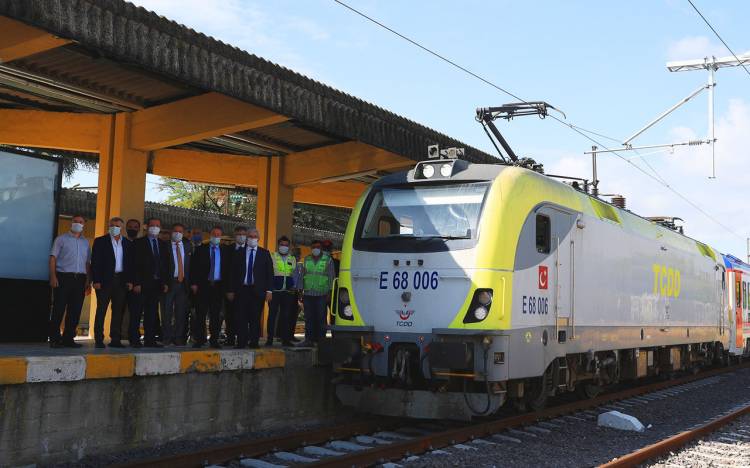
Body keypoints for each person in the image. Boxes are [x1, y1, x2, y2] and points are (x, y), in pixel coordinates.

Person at [48, 215, 91, 348]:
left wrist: (88, 281)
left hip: (80, 279)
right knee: (59, 308)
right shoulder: (61, 239)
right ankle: (55, 338)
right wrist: (53, 276)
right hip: (63, 277)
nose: (78, 224)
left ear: (84, 225)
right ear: (71, 223)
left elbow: (88, 263)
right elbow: (53, 258)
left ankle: (68, 338)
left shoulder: (85, 242)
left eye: (81, 222)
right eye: (75, 221)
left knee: (75, 310)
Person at [91, 217, 133, 348]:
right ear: (108, 226)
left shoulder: (127, 243)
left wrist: (130, 281)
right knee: (101, 309)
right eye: (112, 225)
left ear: (122, 228)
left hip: (121, 280)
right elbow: (95, 262)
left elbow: (130, 264)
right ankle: (99, 339)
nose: (115, 227)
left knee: (118, 311)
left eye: (118, 225)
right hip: (104, 281)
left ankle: (115, 339)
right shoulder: (100, 241)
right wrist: (96, 280)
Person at [228, 227, 273, 349]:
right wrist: (231, 290)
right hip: (242, 290)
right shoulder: (239, 253)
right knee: (241, 316)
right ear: (247, 238)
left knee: (255, 317)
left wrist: (269, 291)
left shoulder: (264, 253)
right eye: (250, 237)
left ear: (258, 239)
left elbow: (269, 273)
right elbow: (233, 273)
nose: (252, 239)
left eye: (254, 237)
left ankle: (254, 342)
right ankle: (241, 342)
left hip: (257, 291)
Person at [131, 217, 169, 347]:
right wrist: (136, 283)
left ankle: (149, 339)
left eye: (157, 225)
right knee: (136, 312)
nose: (154, 227)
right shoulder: (138, 243)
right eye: (152, 225)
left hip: (156, 284)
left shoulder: (163, 245)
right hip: (141, 284)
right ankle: (134, 339)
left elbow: (164, 266)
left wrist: (164, 282)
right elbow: (134, 264)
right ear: (146, 227)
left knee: (151, 314)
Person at [190, 226, 229, 348]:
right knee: (200, 314)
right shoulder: (201, 249)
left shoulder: (225, 251)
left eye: (218, 235)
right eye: (214, 234)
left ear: (221, 237)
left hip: (218, 287)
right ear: (210, 235)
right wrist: (194, 283)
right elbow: (193, 268)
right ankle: (200, 339)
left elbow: (228, 270)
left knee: (215, 315)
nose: (216, 237)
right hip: (203, 286)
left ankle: (214, 340)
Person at [295, 240, 335, 347]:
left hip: (322, 294)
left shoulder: (328, 260)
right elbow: (301, 275)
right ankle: (308, 340)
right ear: (311, 248)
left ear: (321, 248)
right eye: (313, 247)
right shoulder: (306, 259)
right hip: (308, 294)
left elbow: (331, 277)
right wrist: (300, 290)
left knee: (321, 318)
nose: (315, 249)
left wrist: (330, 293)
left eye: (317, 247)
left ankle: (321, 341)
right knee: (309, 318)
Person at [161, 223, 191, 346]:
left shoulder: (188, 246)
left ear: (183, 233)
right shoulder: (164, 246)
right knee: (166, 312)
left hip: (183, 283)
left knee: (181, 313)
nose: (177, 233)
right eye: (175, 231)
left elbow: (190, 265)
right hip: (169, 283)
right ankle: (167, 338)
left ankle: (178, 338)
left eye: (180, 231)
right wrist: (163, 282)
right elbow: (161, 266)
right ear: (171, 232)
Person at [266, 235, 297, 347]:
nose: (284, 247)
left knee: (286, 316)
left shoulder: (292, 259)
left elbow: (295, 275)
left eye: (286, 245)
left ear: (289, 247)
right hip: (274, 291)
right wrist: (268, 290)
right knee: (272, 315)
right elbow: (268, 274)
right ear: (278, 245)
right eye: (281, 245)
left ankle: (286, 339)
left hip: (288, 292)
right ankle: (269, 339)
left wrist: (294, 286)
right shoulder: (272, 256)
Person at [223, 225, 247, 346]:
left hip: (246, 290)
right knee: (230, 315)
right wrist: (229, 289)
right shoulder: (228, 250)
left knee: (244, 316)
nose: (241, 236)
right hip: (231, 289)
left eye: (243, 234)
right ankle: (230, 338)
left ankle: (243, 339)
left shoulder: (250, 249)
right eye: (239, 234)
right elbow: (226, 271)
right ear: (235, 235)